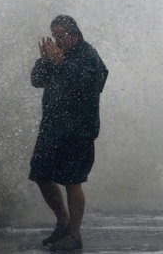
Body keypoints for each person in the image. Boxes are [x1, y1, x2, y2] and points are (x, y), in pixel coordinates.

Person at [28, 15, 108, 251]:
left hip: (79, 129)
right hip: (52, 128)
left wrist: (60, 62)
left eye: (61, 36)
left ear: (74, 34)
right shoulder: (55, 56)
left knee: (73, 181)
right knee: (41, 174)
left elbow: (91, 83)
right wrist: (46, 61)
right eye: (55, 37)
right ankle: (63, 222)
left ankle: (74, 234)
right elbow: (36, 80)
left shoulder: (88, 55)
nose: (58, 41)